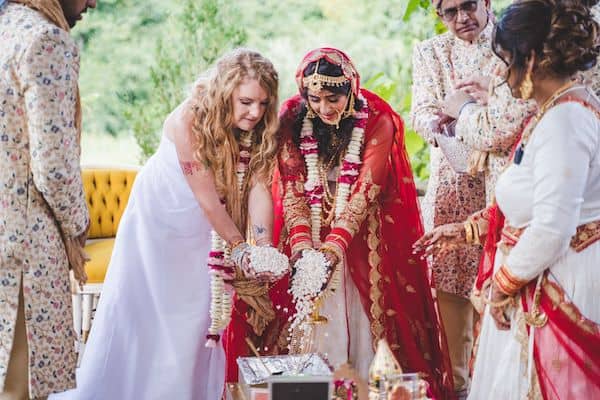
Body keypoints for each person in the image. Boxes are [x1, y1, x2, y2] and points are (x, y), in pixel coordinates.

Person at [51, 49, 280, 400]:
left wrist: (262, 248)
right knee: (148, 310)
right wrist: (240, 247)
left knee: (199, 316)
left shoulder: (259, 127)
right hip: (160, 223)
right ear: (225, 93)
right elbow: (207, 199)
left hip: (209, 228)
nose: (255, 112)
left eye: (263, 104)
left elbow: (259, 187)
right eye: (246, 102)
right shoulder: (187, 120)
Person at [417, 0, 600, 397]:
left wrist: (500, 286)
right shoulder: (552, 111)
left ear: (531, 59)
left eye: (505, 62)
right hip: (542, 279)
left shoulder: (566, 122)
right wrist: (469, 229)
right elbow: (531, 198)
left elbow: (552, 226)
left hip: (559, 285)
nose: (500, 75)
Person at [269, 47, 454, 399]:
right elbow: (292, 187)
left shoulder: (376, 120)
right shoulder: (292, 118)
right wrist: (303, 250)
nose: (324, 109)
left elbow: (364, 192)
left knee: (364, 326)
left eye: (333, 98)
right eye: (316, 99)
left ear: (351, 89)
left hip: (362, 238)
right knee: (308, 317)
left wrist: (330, 252)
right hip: (307, 229)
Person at [410, 0, 534, 397]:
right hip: (454, 180)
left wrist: (465, 110)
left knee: (506, 278)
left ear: (486, 3)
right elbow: (422, 112)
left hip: (503, 177)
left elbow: (513, 110)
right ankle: (458, 385)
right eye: (450, 11)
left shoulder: (510, 41)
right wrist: (443, 123)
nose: (462, 18)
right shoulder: (431, 52)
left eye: (468, 6)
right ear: (438, 15)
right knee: (451, 284)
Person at [0, 1, 96, 399]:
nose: (91, 3)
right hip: (27, 248)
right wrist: (79, 224)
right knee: (19, 387)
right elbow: (54, 168)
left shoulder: (7, 27)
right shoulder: (46, 39)